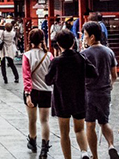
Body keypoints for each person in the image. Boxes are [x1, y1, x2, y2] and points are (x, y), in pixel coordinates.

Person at [45, 29, 97, 159]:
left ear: (58, 44)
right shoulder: (80, 58)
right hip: (79, 98)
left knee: (64, 133)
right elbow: (93, 73)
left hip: (62, 99)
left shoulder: (57, 61)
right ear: (73, 42)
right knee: (79, 129)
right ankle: (84, 152)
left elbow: (48, 80)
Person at [80, 21, 119, 159]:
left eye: (85, 35)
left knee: (90, 124)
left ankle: (95, 156)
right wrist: (110, 85)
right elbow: (114, 75)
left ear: (91, 37)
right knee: (104, 121)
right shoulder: (109, 52)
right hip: (104, 92)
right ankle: (111, 145)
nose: (84, 37)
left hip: (89, 92)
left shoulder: (84, 53)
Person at [22, 28, 53, 158]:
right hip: (46, 91)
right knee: (45, 121)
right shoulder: (49, 55)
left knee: (32, 120)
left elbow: (26, 76)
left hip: (32, 91)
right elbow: (52, 75)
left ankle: (32, 141)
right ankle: (44, 148)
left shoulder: (27, 55)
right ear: (42, 39)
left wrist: (28, 94)